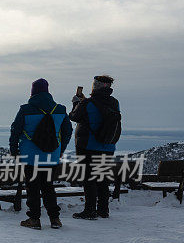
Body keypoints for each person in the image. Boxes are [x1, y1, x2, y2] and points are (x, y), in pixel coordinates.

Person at [9, 78, 73, 230]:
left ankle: (34, 219)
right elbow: (67, 132)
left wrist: (14, 151)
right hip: (52, 156)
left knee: (33, 188)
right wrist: (61, 149)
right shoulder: (60, 110)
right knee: (48, 187)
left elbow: (15, 131)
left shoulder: (25, 110)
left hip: (30, 156)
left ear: (33, 92)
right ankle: (55, 219)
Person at [69, 75, 120, 219]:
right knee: (102, 178)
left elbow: (74, 116)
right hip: (108, 146)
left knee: (89, 179)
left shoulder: (87, 103)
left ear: (95, 86)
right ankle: (103, 210)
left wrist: (76, 102)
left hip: (88, 146)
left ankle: (89, 210)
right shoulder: (115, 103)